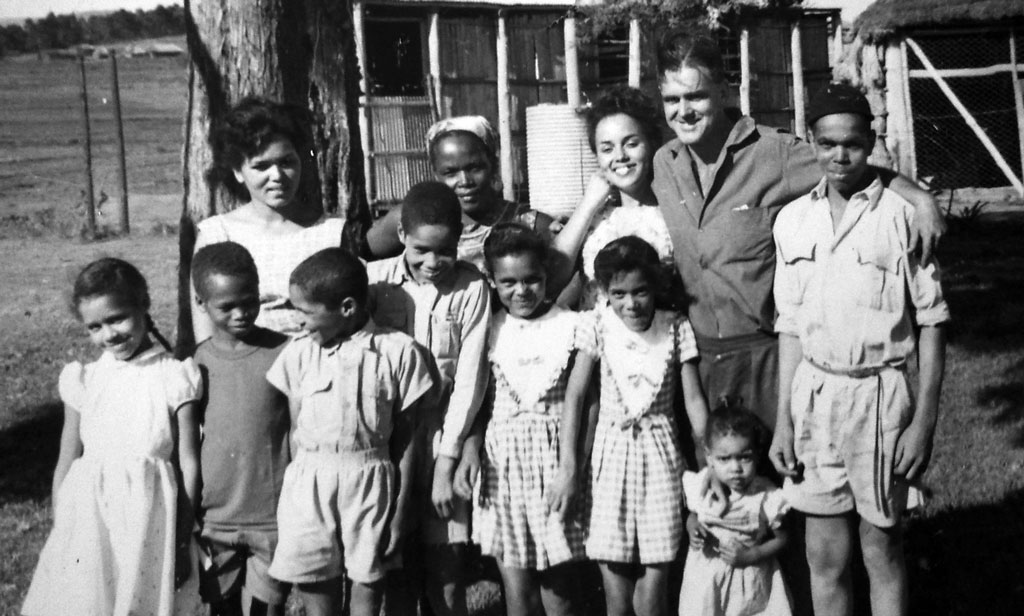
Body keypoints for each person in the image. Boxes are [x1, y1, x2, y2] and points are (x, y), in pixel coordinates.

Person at [650, 31, 946, 433]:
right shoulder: (663, 165)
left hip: (767, 360)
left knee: (779, 465)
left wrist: (921, 199)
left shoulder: (775, 153)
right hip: (696, 362)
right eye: (672, 100)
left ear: (723, 90)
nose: (684, 111)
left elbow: (849, 164)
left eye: (696, 96)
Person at [770, 82, 949, 616]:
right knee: (824, 556)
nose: (839, 156)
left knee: (881, 548)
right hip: (814, 397)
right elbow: (789, 326)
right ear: (812, 143)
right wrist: (783, 421)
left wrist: (924, 420)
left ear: (871, 142)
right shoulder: (792, 220)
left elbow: (933, 320)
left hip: (880, 398)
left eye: (851, 143)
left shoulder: (902, 215)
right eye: (827, 144)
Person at [22, 258, 203, 616]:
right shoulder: (84, 379)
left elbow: (188, 463)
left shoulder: (173, 376)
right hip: (90, 525)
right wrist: (63, 528)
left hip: (149, 524)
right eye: (95, 327)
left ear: (143, 304)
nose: (109, 334)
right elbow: (66, 461)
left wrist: (182, 539)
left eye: (118, 318)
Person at [265, 248, 433, 616]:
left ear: (347, 307)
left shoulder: (398, 352)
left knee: (367, 582)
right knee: (314, 581)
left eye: (306, 312)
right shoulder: (299, 354)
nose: (298, 321)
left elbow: (408, 441)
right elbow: (294, 430)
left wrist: (401, 510)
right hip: (310, 482)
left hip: (371, 482)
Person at [366, 181, 492, 616]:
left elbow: (471, 377)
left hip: (443, 435)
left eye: (445, 251)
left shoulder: (471, 288)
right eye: (421, 250)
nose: (433, 263)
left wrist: (447, 462)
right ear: (401, 234)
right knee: (396, 568)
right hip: (388, 440)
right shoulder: (375, 281)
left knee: (448, 575)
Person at [472, 222, 594, 616]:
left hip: (554, 465)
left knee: (559, 593)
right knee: (518, 591)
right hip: (503, 469)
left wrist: (573, 468)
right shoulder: (489, 328)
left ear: (546, 275)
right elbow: (478, 401)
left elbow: (587, 403)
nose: (521, 291)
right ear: (492, 280)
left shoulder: (572, 325)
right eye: (508, 282)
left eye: (532, 280)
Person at [585, 236, 710, 616]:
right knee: (617, 598)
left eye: (640, 291)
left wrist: (710, 467)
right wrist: (573, 467)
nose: (631, 303)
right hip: (611, 456)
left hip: (660, 457)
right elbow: (578, 397)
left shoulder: (675, 327)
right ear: (605, 292)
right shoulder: (597, 325)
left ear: (655, 285)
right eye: (619, 294)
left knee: (653, 594)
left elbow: (693, 401)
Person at [191, 96, 348, 342]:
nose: (277, 175)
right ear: (238, 172)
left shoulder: (331, 233)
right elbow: (206, 337)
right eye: (261, 166)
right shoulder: (217, 235)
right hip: (245, 362)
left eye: (286, 162)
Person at [191, 242, 291, 616]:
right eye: (227, 306)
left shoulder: (284, 351)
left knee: (269, 609)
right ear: (201, 303)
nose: (241, 313)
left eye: (249, 301)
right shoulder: (198, 361)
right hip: (216, 516)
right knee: (222, 608)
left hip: (272, 513)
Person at [366, 115, 556, 273]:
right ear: (436, 174)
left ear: (493, 165)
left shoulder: (529, 224)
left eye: (475, 168)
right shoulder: (412, 218)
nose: (465, 181)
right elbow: (360, 256)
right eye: (450, 172)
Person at [551, 87, 678, 310]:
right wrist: (587, 205)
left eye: (631, 144)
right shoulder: (594, 216)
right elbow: (552, 277)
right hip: (595, 329)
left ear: (651, 144)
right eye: (607, 149)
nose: (620, 156)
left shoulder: (673, 211)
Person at [680, 402, 792, 616]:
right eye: (724, 459)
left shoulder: (764, 495)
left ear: (757, 454)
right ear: (709, 457)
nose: (735, 468)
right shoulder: (702, 487)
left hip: (749, 579)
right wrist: (693, 528)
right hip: (706, 578)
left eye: (744, 457)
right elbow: (693, 516)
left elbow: (782, 538)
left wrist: (752, 555)